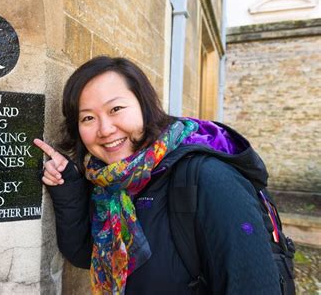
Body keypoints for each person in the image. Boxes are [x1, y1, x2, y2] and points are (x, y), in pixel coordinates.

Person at [33, 56, 284, 294]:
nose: (105, 129)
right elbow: (85, 253)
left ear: (145, 106)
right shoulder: (109, 182)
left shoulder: (208, 177)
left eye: (116, 109)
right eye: (88, 117)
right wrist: (69, 186)